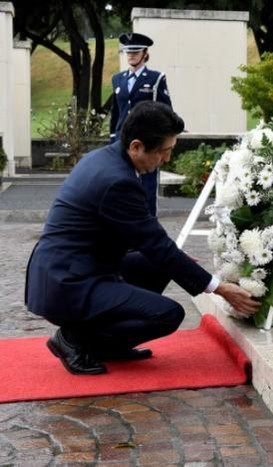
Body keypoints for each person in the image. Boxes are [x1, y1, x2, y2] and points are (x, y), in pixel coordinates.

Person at [25, 102, 258, 376]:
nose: (166, 159)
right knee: (168, 314)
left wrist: (179, 264)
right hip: (67, 283)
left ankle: (108, 346)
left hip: (73, 268)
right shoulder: (117, 181)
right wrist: (219, 288)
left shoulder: (105, 159)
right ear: (136, 146)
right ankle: (74, 339)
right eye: (164, 151)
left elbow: (146, 241)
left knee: (162, 265)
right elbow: (156, 245)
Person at [110, 32, 172, 216]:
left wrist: (163, 141)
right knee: (121, 182)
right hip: (122, 139)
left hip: (146, 140)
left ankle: (148, 222)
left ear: (145, 53)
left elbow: (165, 110)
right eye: (128, 52)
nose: (131, 55)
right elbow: (116, 112)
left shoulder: (156, 78)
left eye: (136, 52)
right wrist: (112, 138)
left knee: (147, 185)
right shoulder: (118, 79)